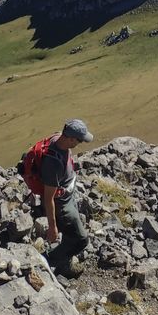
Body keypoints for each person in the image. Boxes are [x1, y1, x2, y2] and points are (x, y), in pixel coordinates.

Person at [40, 118, 94, 277]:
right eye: (79, 140)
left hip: (68, 197)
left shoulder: (58, 137)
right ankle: (47, 261)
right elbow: (48, 198)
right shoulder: (53, 163)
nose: (80, 143)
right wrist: (52, 226)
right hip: (62, 205)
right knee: (81, 240)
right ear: (70, 138)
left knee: (71, 234)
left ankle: (65, 261)